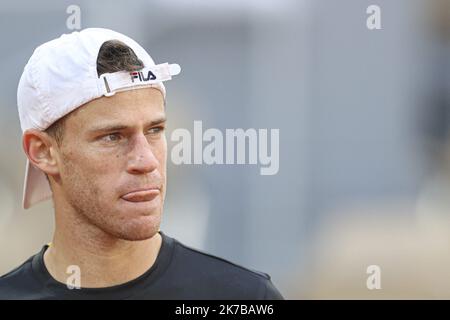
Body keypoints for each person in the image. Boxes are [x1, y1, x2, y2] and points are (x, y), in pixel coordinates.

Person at [0, 28, 283, 300]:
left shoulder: (242, 297)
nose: (146, 161)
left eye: (154, 130)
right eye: (112, 136)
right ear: (44, 152)